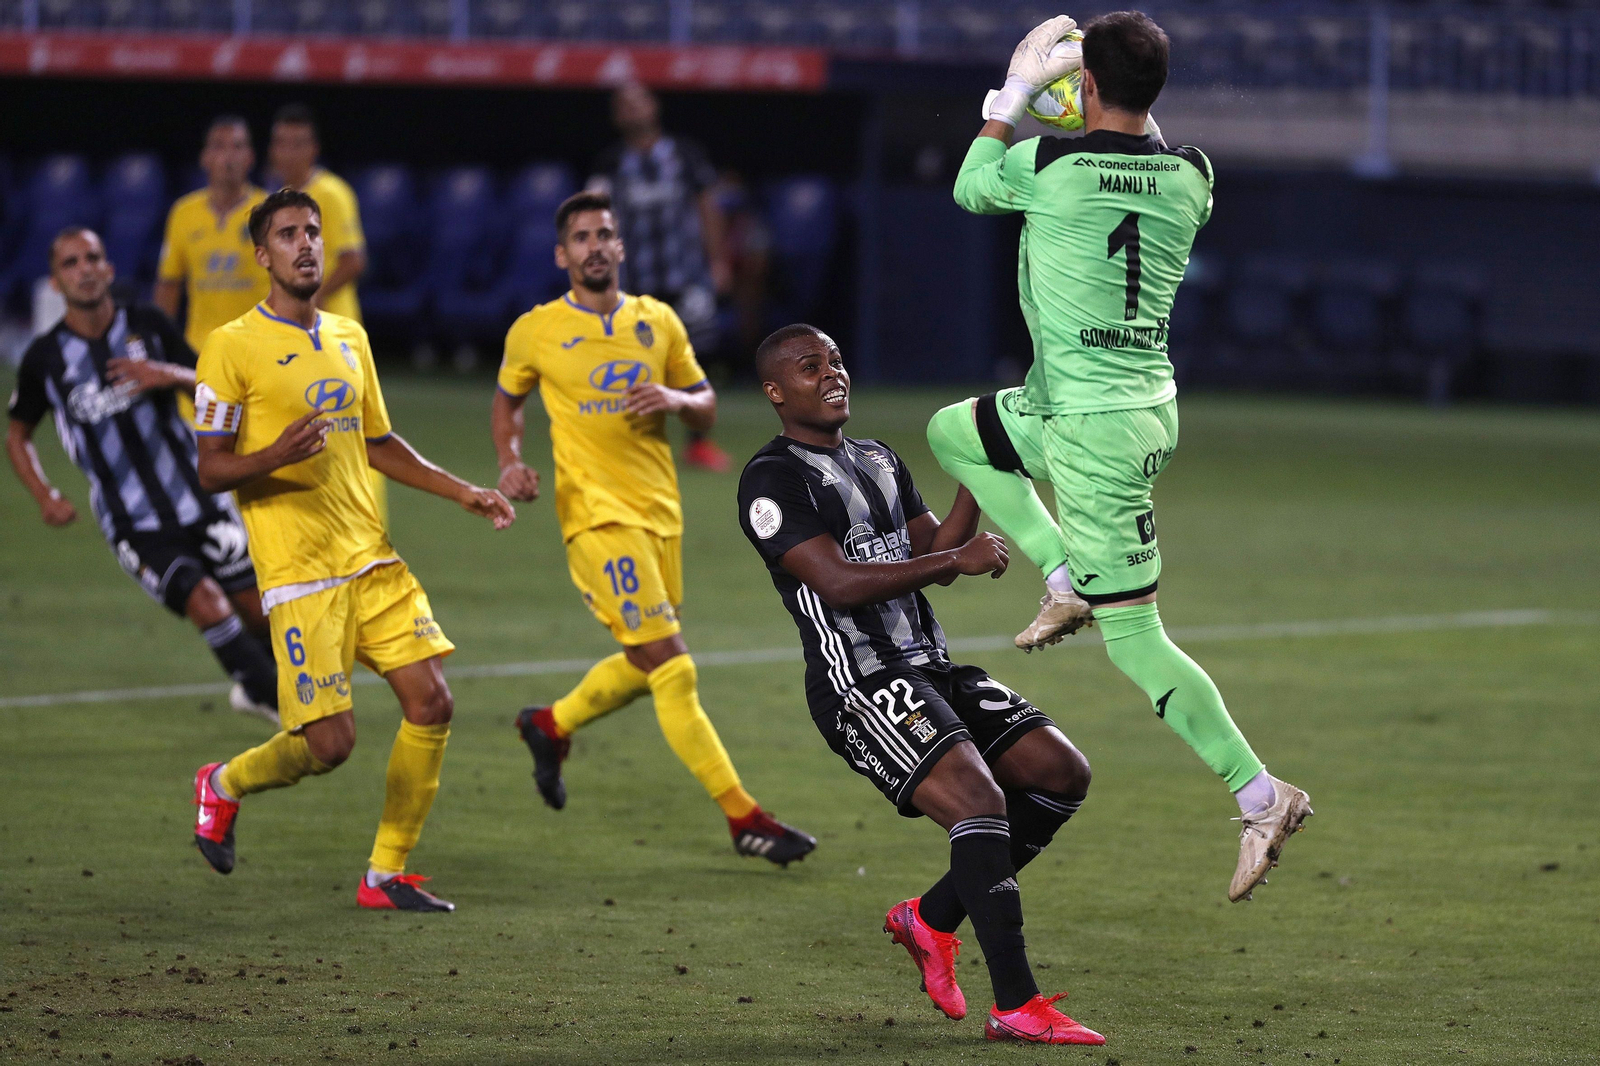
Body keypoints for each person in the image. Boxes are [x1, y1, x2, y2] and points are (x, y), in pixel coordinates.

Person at [931, 11, 1311, 902]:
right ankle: (1064, 576)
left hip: (1094, 432)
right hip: (1111, 407)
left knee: (1136, 637)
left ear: (1087, 85)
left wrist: (1017, 93)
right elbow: (1146, 149)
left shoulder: (1048, 165)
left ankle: (1262, 796)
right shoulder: (1193, 175)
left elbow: (971, 186)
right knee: (957, 432)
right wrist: (1101, 106)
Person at [737, 324, 1103, 1045]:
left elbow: (932, 544)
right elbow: (838, 582)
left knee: (1060, 773)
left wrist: (978, 468)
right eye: (810, 367)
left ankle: (930, 919)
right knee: (978, 800)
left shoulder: (877, 458)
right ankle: (1017, 1006)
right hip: (859, 679)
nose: (832, 373)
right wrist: (951, 563)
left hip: (929, 665)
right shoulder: (771, 479)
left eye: (836, 360)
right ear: (776, 392)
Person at [189, 189, 515, 912]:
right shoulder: (230, 344)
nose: (305, 243)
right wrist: (271, 455)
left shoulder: (348, 337)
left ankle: (385, 875)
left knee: (432, 702)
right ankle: (222, 783)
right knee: (328, 746)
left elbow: (377, 442)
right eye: (287, 234)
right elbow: (209, 467)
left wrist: (462, 491)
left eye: (312, 231)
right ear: (262, 255)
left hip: (371, 558)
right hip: (300, 573)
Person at [492, 190, 815, 867]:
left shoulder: (657, 322)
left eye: (604, 234)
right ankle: (745, 818)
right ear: (562, 255)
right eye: (581, 237)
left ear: (621, 245)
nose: (595, 246)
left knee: (648, 664)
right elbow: (508, 401)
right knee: (672, 662)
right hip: (596, 517)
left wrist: (673, 397)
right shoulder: (536, 330)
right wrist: (510, 461)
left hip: (660, 514)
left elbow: (706, 407)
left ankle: (549, 724)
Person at [7, 228, 278, 724]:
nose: (84, 270)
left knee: (259, 612)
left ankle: (260, 691)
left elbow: (214, 385)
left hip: (201, 498)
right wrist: (45, 495)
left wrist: (167, 374)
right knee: (206, 602)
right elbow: (18, 435)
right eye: (71, 263)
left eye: (93, 258)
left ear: (109, 269)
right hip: (135, 523)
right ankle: (280, 705)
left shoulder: (148, 325)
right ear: (55, 282)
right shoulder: (44, 358)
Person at [589, 81, 733, 474]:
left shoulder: (685, 155)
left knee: (696, 360)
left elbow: (708, 206)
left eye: (639, 102)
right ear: (616, 116)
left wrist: (718, 260)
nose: (633, 110)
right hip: (633, 282)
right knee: (628, 362)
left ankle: (698, 444)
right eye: (624, 105)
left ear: (654, 107)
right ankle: (627, 444)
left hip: (686, 277)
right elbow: (595, 216)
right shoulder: (610, 163)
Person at [267, 102, 388, 520]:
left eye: (298, 143)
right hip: (292, 332)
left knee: (353, 430)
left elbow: (353, 260)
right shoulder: (273, 200)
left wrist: (311, 297)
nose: (290, 152)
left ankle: (368, 518)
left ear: (313, 149)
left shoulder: (332, 193)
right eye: (282, 143)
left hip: (336, 332)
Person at [154, 116, 269, 360]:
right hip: (202, 352)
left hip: (260, 350)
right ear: (204, 158)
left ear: (250, 157)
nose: (228, 156)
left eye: (237, 146)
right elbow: (169, 285)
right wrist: (161, 345)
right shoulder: (183, 213)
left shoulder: (271, 210)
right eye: (219, 146)